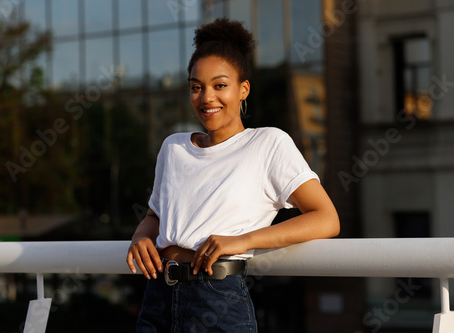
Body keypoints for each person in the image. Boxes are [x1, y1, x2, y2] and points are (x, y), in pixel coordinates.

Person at [126, 17, 340, 332]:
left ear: (243, 90)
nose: (206, 98)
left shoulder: (268, 143)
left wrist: (239, 242)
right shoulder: (173, 147)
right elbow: (155, 216)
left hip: (217, 298)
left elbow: (326, 219)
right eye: (196, 87)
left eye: (220, 85)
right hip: (158, 293)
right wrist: (141, 237)